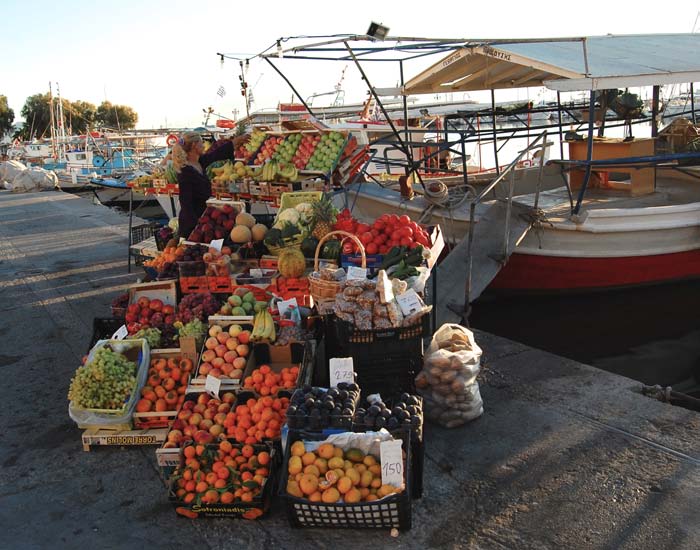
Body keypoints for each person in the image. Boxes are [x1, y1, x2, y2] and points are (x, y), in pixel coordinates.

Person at [171, 131, 248, 239]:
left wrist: (237, 141)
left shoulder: (199, 163)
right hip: (192, 223)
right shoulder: (185, 172)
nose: (203, 146)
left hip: (203, 217)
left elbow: (216, 154)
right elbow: (185, 202)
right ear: (194, 146)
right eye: (201, 143)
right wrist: (196, 225)